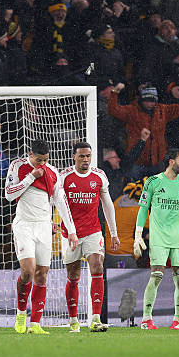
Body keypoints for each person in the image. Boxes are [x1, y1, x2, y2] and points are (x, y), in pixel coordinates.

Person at [5, 139, 78, 335]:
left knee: (42, 274)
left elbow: (61, 202)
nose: (42, 164)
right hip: (24, 225)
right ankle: (21, 314)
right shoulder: (17, 166)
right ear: (30, 154)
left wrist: (71, 230)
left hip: (44, 227)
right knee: (28, 271)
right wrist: (30, 177)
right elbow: (9, 195)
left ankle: (35, 324)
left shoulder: (52, 172)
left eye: (45, 160)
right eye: (39, 160)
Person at [133, 148, 179, 330]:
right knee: (156, 275)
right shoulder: (153, 182)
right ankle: (146, 319)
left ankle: (177, 320)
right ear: (171, 161)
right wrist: (138, 235)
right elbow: (143, 208)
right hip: (159, 236)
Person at [60, 142, 120, 333]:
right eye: (82, 156)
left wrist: (114, 233)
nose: (85, 160)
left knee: (97, 266)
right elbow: (54, 202)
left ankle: (95, 319)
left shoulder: (99, 176)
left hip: (93, 231)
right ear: (74, 157)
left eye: (88, 156)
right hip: (70, 233)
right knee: (73, 275)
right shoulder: (64, 177)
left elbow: (108, 205)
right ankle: (73, 320)